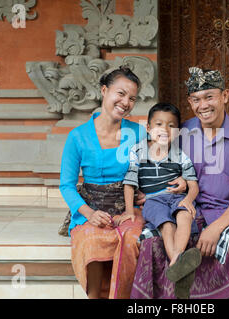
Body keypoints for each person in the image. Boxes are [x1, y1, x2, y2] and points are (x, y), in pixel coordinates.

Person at [130, 67, 229, 299]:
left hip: (225, 212)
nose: (203, 105)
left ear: (225, 96)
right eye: (196, 99)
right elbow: (153, 159)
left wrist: (215, 228)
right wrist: (147, 192)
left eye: (209, 97)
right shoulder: (180, 131)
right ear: (189, 102)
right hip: (181, 207)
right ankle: (175, 287)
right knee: (152, 240)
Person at [59, 67, 186, 299]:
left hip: (130, 209)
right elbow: (66, 185)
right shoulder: (77, 136)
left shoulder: (138, 132)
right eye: (121, 93)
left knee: (131, 240)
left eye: (132, 98)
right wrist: (89, 213)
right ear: (104, 90)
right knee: (92, 240)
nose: (126, 102)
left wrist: (158, 190)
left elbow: (160, 163)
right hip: (92, 209)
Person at [123, 103, 200, 298]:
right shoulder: (138, 151)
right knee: (166, 224)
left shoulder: (180, 155)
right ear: (148, 128)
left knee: (184, 216)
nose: (165, 130)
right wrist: (129, 211)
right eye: (159, 124)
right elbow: (130, 182)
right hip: (153, 201)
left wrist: (189, 200)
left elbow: (193, 185)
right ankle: (178, 262)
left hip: (176, 197)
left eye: (171, 126)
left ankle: (176, 261)